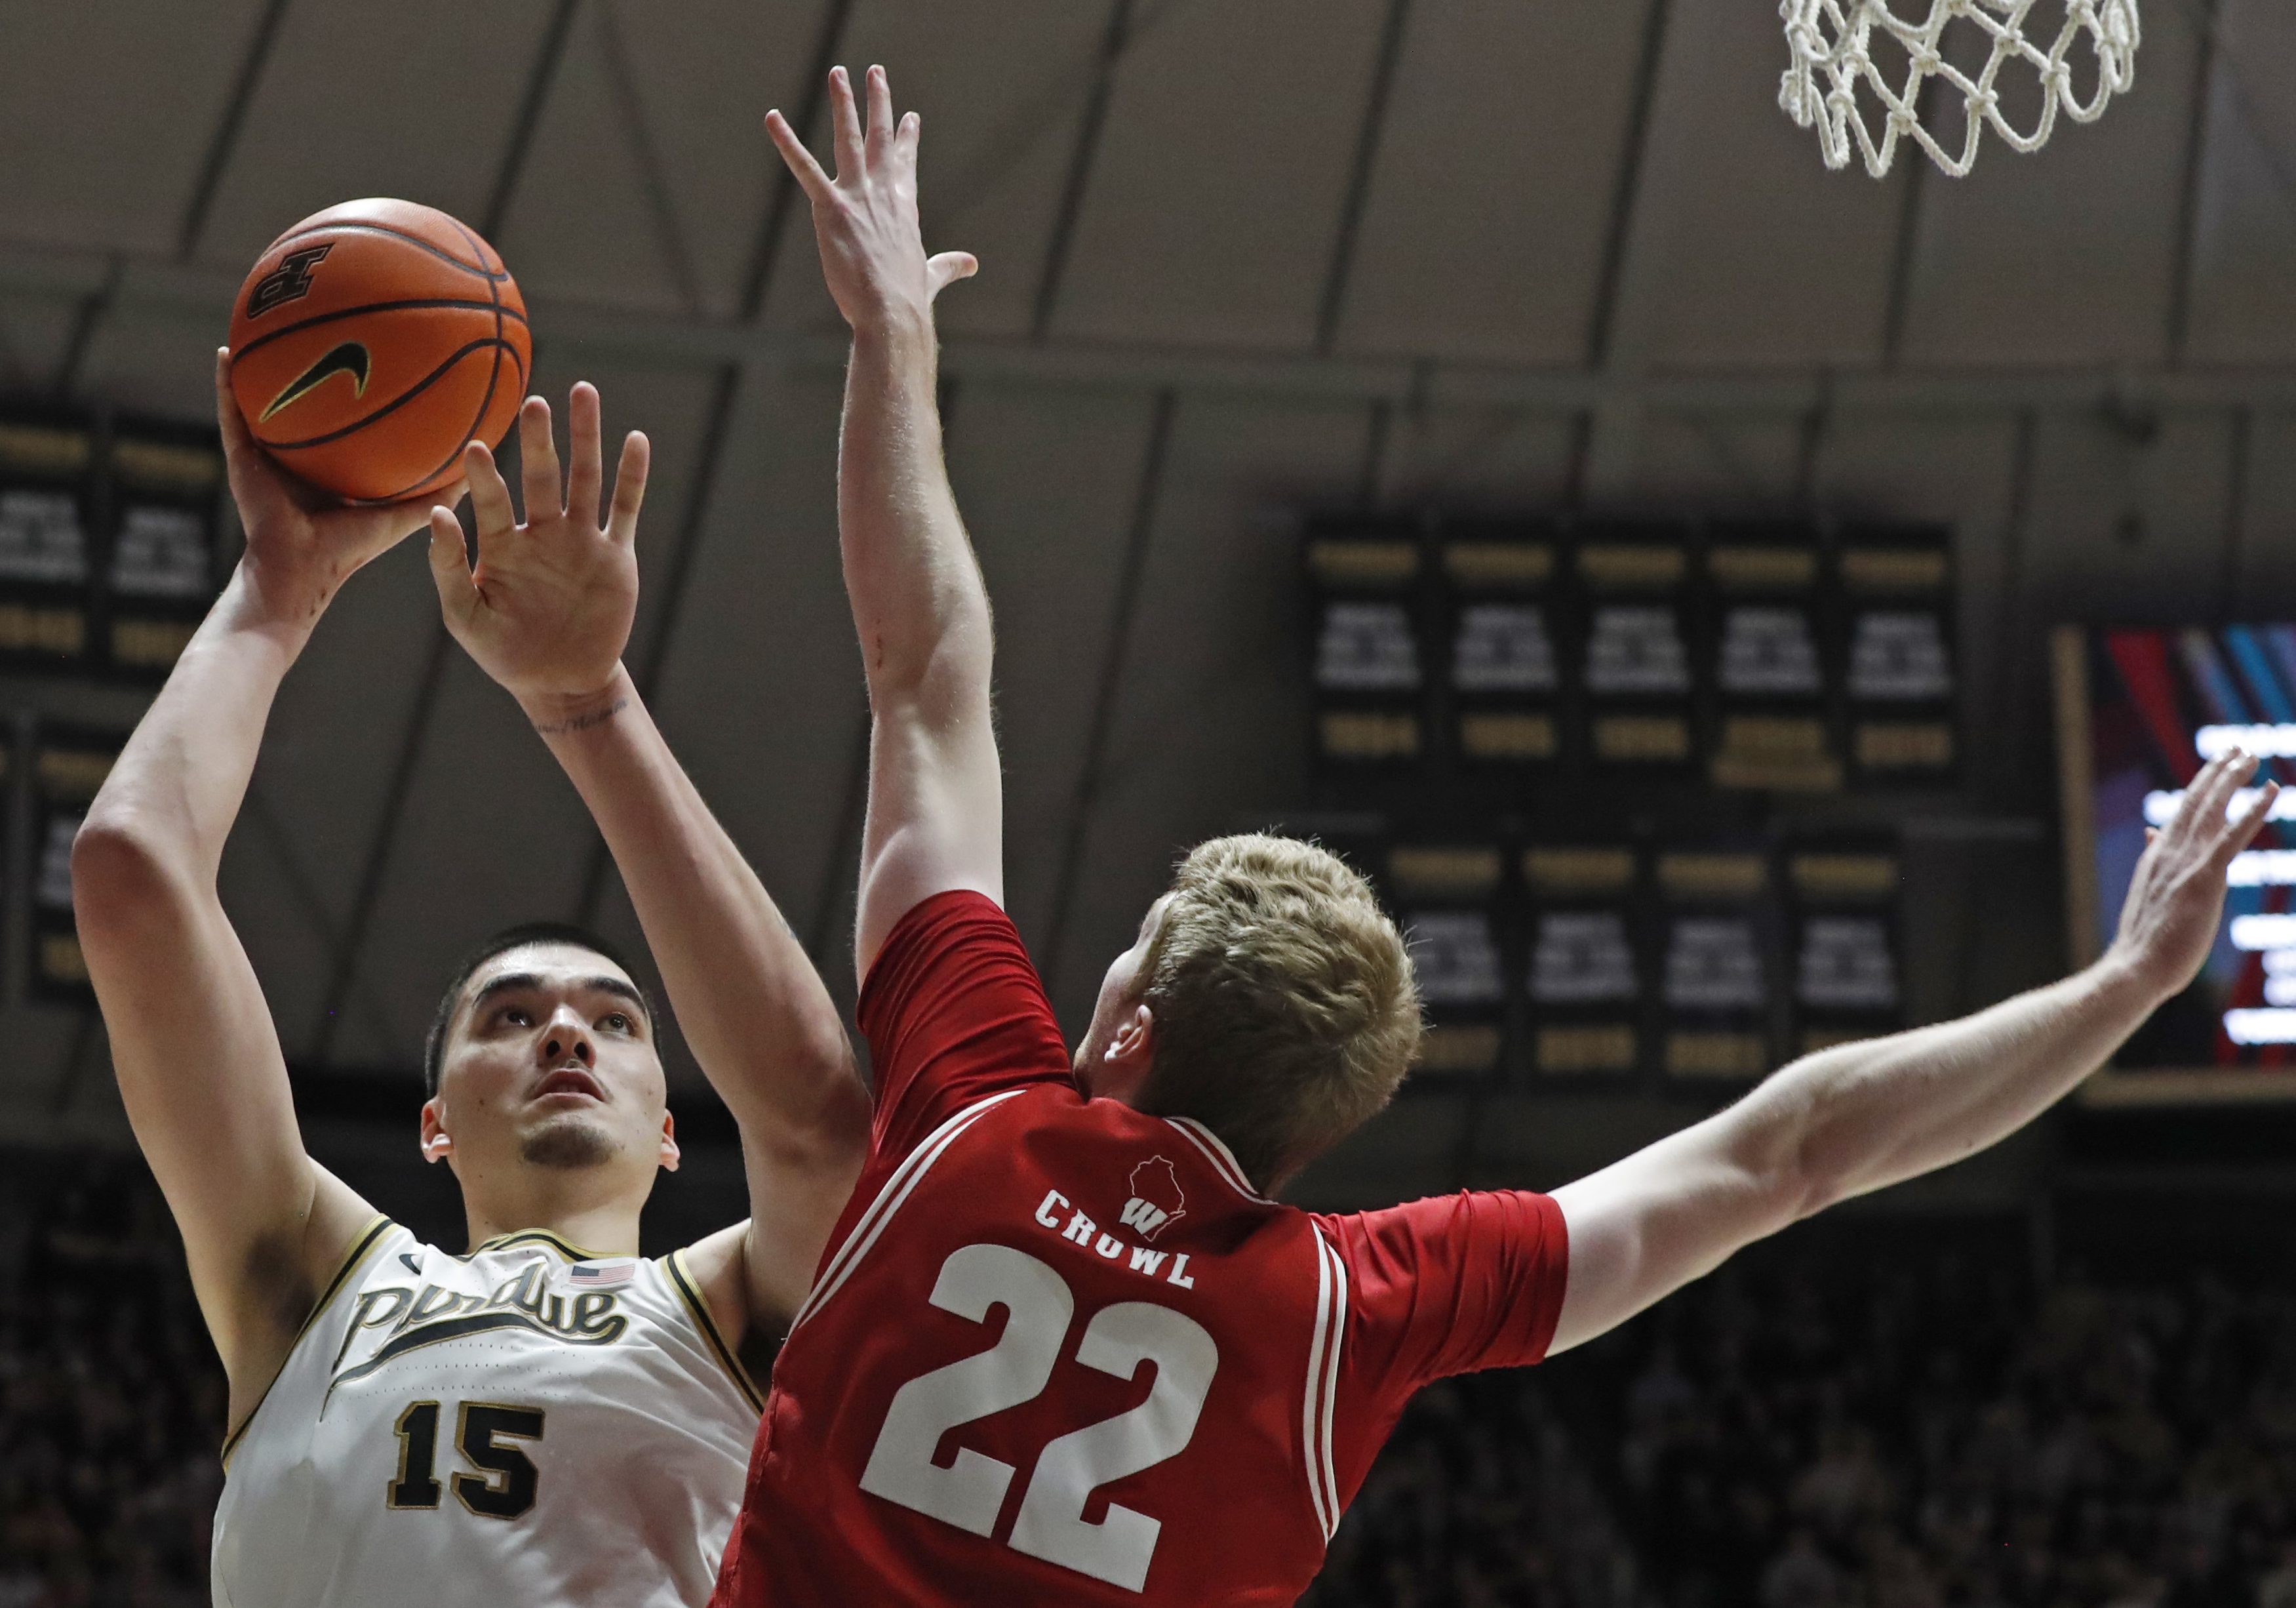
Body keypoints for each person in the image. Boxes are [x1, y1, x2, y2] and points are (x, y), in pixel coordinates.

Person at [699, 64, 2283, 1607]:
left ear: (1124, 1018)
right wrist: (2120, 988)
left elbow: (925, 684)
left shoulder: (981, 1107)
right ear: (1318, 1132)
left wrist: (891, 339)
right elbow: (1788, 1150)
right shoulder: (1350, 1303)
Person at [71, 355, 870, 1608]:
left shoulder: (736, 1314)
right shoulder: (310, 1281)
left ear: (670, 1135)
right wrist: (275, 592)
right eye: (512, 1018)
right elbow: (131, 875)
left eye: (615, 1020)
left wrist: (587, 700)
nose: (565, 1031)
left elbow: (821, 1122)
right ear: (433, 1121)